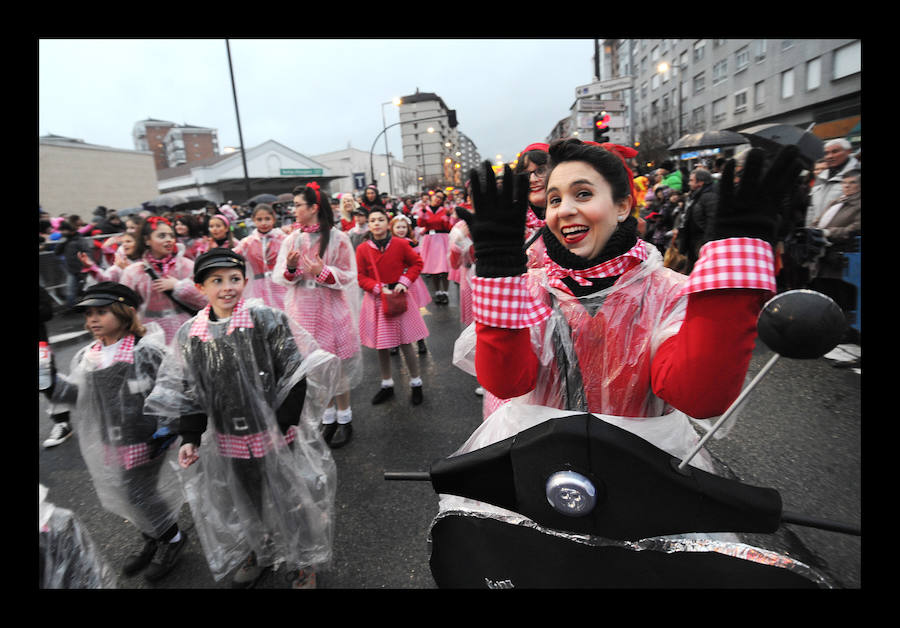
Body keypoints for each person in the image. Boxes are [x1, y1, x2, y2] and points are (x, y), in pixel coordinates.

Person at [454, 138, 801, 463]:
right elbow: (505, 383)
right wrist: (498, 269)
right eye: (555, 199)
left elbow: (698, 396)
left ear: (622, 205)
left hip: (642, 477)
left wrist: (731, 271)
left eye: (583, 194)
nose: (564, 210)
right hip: (539, 469)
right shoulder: (531, 289)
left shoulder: (669, 292)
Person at [144, 248, 339, 588]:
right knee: (245, 499)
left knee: (291, 496)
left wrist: (282, 424)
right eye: (216, 281)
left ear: (246, 282)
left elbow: (294, 373)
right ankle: (259, 549)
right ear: (200, 287)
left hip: (274, 433)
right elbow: (189, 389)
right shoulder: (191, 334)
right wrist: (190, 436)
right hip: (228, 436)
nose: (227, 287)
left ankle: (304, 560)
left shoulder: (266, 319)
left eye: (234, 279)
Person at [44, 282, 186, 582]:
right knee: (130, 492)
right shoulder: (90, 356)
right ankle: (154, 534)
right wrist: (50, 383)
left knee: (139, 491)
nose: (92, 320)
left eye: (101, 312)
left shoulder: (144, 350)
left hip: (146, 437)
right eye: (88, 315)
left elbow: (171, 387)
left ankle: (171, 538)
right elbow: (79, 396)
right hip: (115, 439)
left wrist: (168, 427)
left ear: (125, 313)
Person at [273, 183, 362, 449]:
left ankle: (345, 418)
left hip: (330, 309)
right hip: (302, 311)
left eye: (298, 205)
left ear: (313, 208)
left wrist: (324, 273)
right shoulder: (291, 239)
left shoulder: (338, 238)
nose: (294, 210)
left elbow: (349, 275)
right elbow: (280, 276)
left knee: (337, 366)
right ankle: (328, 416)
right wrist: (291, 268)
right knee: (314, 369)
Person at [356, 206, 428, 406]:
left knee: (406, 343)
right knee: (382, 346)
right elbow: (361, 277)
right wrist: (377, 288)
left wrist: (404, 282)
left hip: (399, 296)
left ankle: (416, 382)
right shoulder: (362, 249)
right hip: (376, 300)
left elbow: (416, 263)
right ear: (368, 225)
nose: (376, 223)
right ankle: (386, 383)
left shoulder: (399, 244)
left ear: (388, 224)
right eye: (372, 220)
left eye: (380, 219)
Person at [120, 216, 208, 344]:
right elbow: (124, 308)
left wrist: (179, 286)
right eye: (162, 236)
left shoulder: (187, 266)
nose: (169, 240)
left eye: (171, 236)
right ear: (147, 240)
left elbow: (206, 300)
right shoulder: (133, 272)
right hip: (150, 334)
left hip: (187, 330)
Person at [808, 169, 861, 335]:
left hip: (844, 255)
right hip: (825, 253)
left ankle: (845, 331)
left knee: (844, 295)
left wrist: (830, 232)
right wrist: (815, 228)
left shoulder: (857, 203)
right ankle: (830, 327)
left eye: (852, 183)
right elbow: (820, 219)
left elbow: (855, 228)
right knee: (827, 292)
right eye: (845, 183)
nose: (847, 186)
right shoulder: (838, 201)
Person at [234, 204, 288, 311]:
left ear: (273, 219)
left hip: (280, 284)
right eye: (259, 219)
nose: (264, 223)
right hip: (258, 287)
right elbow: (233, 256)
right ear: (253, 220)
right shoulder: (247, 243)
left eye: (267, 219)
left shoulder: (283, 239)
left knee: (285, 314)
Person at [391, 214, 431, 355]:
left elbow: (416, 262)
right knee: (396, 312)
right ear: (392, 228)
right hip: (395, 281)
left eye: (403, 227)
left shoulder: (411, 243)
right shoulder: (389, 243)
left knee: (415, 313)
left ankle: (420, 340)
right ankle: (395, 342)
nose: (401, 230)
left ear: (408, 229)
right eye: (398, 227)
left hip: (411, 282)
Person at [806, 139, 860, 227]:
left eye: (835, 152)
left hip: (844, 235)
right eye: (827, 153)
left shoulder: (857, 173)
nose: (829, 156)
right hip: (817, 233)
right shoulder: (821, 176)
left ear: (848, 151)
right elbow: (811, 207)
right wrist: (808, 228)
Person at [675, 167, 719, 273]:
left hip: (701, 241)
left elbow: (711, 221)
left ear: (700, 182)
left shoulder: (710, 196)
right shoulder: (694, 195)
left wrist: (706, 242)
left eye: (691, 180)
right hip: (693, 241)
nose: (689, 183)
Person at [418, 190, 454, 304]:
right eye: (436, 196)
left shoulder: (444, 211)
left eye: (440, 198)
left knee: (444, 268)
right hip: (430, 240)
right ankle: (438, 292)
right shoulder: (424, 209)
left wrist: (448, 217)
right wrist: (423, 212)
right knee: (433, 268)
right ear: (432, 196)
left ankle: (446, 293)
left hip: (442, 239)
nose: (437, 199)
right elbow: (421, 224)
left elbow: (448, 227)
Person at [53, 221, 96, 309]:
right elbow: (57, 252)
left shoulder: (79, 240)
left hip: (82, 269)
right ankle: (72, 308)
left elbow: (87, 251)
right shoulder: (64, 240)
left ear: (70, 231)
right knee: (71, 289)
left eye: (64, 230)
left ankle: (91, 305)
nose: (62, 232)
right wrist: (61, 242)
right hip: (71, 269)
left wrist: (88, 264)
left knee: (86, 288)